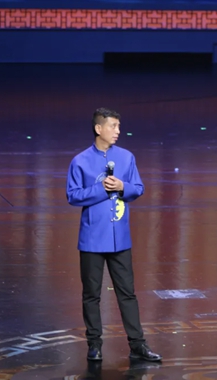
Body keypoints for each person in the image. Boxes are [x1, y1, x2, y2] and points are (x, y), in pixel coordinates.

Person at [67, 108, 161, 362]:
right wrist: (102, 189)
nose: (118, 131)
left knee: (127, 293)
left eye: (119, 126)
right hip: (92, 239)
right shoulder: (80, 161)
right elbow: (73, 195)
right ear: (99, 129)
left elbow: (138, 188)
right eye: (113, 126)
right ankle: (94, 344)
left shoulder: (127, 157)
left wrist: (122, 186)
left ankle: (137, 344)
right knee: (91, 295)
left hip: (120, 238)